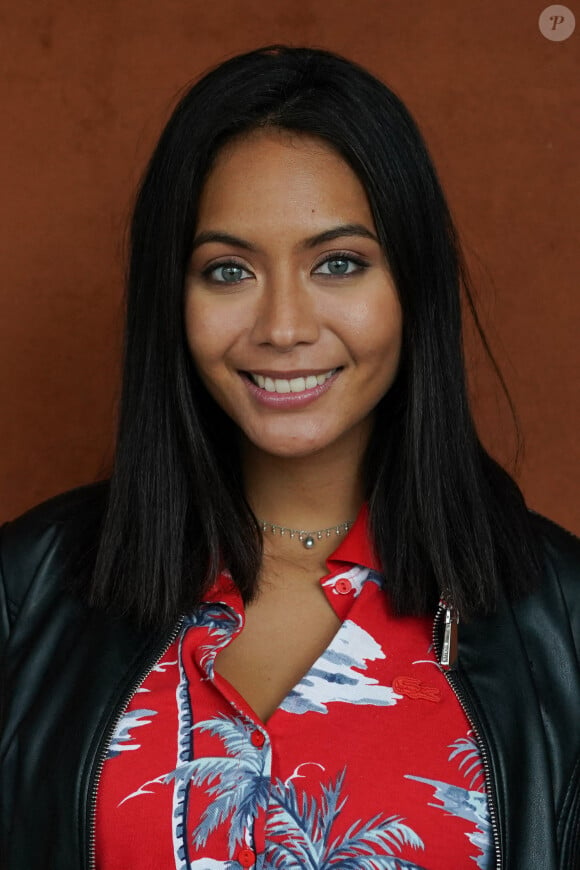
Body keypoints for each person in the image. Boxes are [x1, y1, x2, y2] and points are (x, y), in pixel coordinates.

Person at [1, 45, 578, 870]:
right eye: (228, 269)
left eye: (337, 263)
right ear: (176, 298)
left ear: (412, 285)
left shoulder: (562, 620)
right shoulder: (28, 592)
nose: (282, 326)